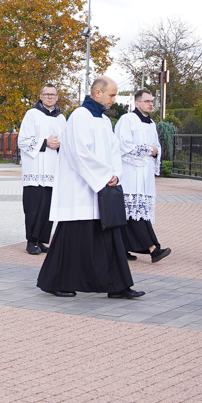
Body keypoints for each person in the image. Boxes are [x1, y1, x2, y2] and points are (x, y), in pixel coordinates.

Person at [36, 76, 145, 299]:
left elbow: (115, 150)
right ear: (97, 93)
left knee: (111, 236)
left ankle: (117, 286)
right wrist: (104, 177)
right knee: (72, 239)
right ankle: (55, 281)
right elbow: (79, 153)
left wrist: (115, 174)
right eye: (111, 95)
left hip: (102, 187)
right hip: (80, 190)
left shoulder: (104, 121)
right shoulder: (79, 117)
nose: (114, 99)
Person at [115, 89, 171, 263]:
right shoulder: (127, 120)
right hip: (130, 174)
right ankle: (153, 248)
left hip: (144, 176)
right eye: (147, 101)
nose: (150, 104)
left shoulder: (151, 123)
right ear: (137, 103)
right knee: (133, 213)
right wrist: (148, 150)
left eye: (152, 101)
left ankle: (123, 249)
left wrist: (154, 151)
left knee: (134, 214)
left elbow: (156, 146)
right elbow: (123, 145)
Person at [17, 83, 66, 254]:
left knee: (48, 207)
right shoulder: (32, 115)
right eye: (46, 94)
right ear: (41, 96)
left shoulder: (61, 118)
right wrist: (45, 142)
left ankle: (42, 239)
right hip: (35, 169)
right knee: (34, 207)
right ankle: (31, 241)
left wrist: (61, 144)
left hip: (53, 170)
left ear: (57, 97)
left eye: (53, 94)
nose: (50, 97)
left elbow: (67, 142)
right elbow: (22, 141)